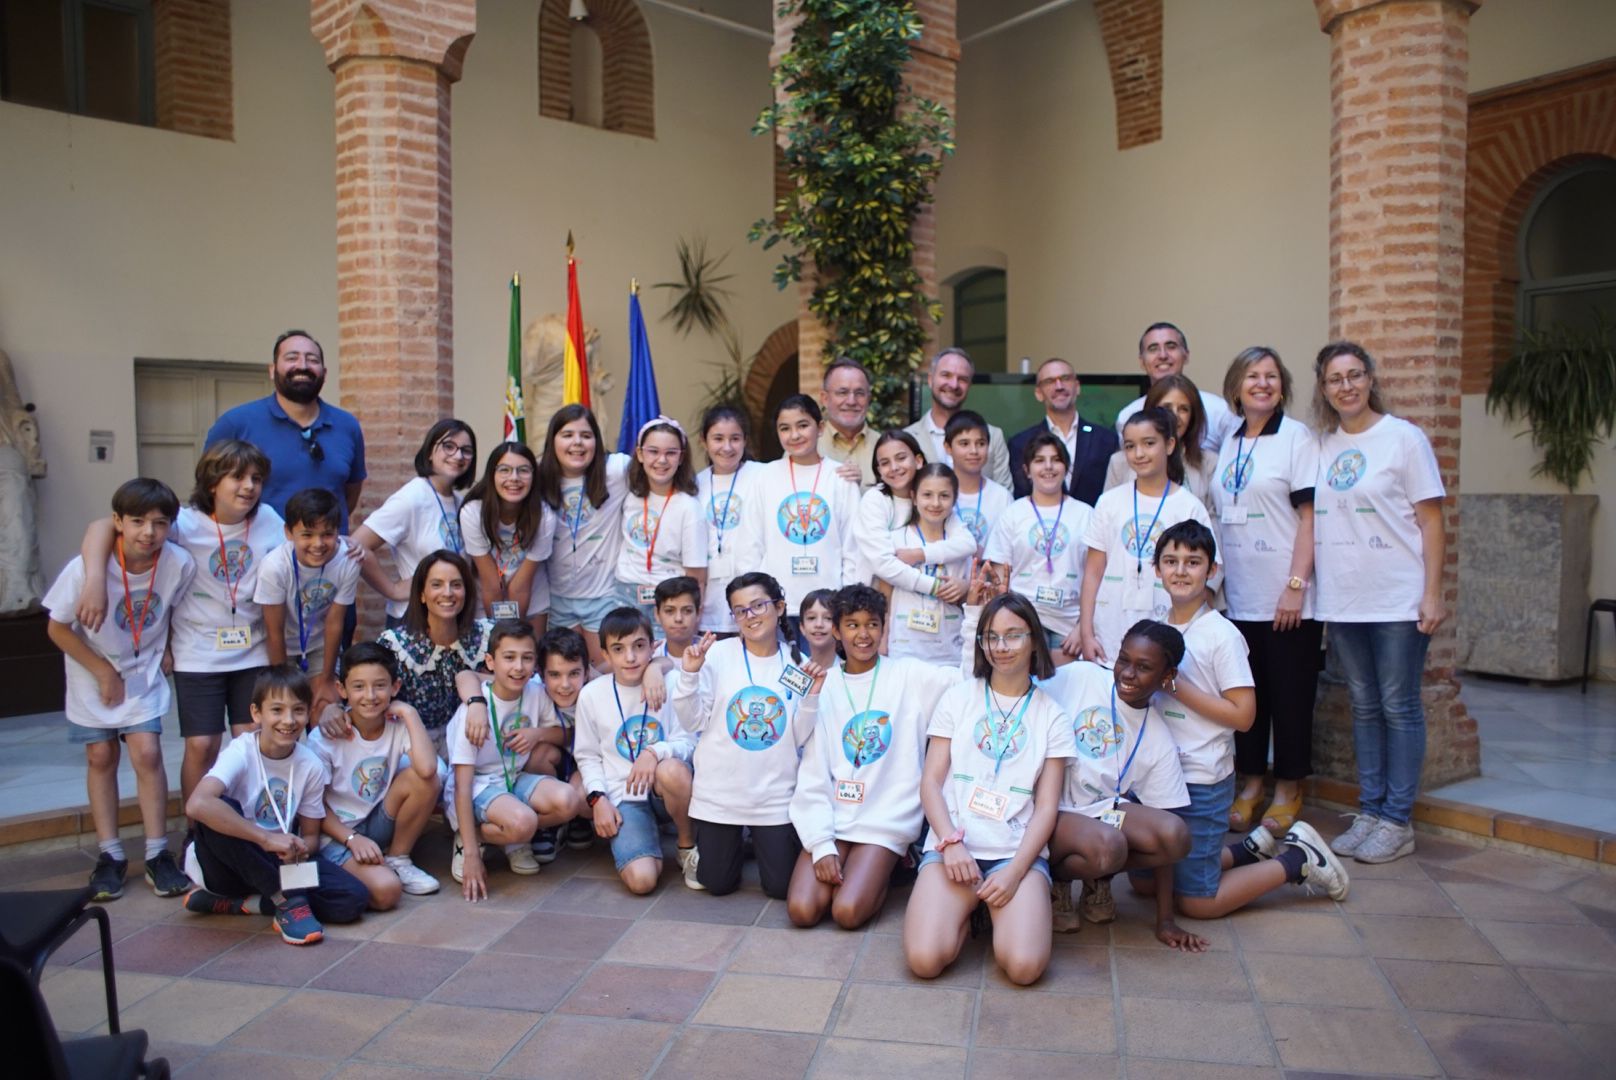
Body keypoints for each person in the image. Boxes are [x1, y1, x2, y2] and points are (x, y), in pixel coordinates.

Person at [1131, 522, 1350, 920]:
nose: (1181, 571)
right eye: (1171, 561)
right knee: (1144, 883)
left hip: (1201, 778)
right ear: (1156, 568)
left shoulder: (1222, 635)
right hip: (1157, 776)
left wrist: (1177, 687)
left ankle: (1297, 860)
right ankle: (1246, 850)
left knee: (1196, 903)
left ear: (1212, 570)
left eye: (1193, 562)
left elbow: (1245, 717)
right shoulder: (1156, 626)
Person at [76, 440, 287, 807]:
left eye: (256, 478)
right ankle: (198, 828)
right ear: (211, 483)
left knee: (252, 739)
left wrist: (350, 549)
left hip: (253, 651)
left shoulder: (268, 519)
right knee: (203, 744)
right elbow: (101, 527)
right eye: (237, 477)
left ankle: (252, 821)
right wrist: (95, 578)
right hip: (197, 652)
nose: (249, 486)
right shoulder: (183, 524)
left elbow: (301, 547)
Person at [1313, 341, 1448, 865]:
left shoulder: (1403, 439)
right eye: (1334, 379)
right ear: (1324, 390)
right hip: (1345, 600)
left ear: (1370, 379)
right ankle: (1370, 812)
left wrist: (1432, 593)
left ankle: (1397, 820)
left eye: (1354, 375)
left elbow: (1432, 519)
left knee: (1399, 706)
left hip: (1397, 598)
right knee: (1364, 707)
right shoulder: (1323, 445)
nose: (1345, 386)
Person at [902, 592, 1075, 986]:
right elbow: (930, 782)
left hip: (1013, 854)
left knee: (1024, 968)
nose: (1001, 646)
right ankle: (968, 915)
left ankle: (998, 910)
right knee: (925, 961)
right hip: (954, 851)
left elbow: (1047, 808)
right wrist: (949, 842)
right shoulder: (959, 698)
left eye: (1013, 635)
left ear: (1034, 639)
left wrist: (1015, 872)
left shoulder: (1052, 716)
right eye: (991, 637)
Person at [44, 478, 197, 901]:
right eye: (137, 522)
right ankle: (110, 854)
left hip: (142, 668)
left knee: (147, 752)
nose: (149, 533)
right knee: (101, 755)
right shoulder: (85, 570)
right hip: (92, 670)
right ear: (117, 523)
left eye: (160, 523)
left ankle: (155, 852)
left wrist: (166, 648)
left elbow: (174, 609)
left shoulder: (178, 563)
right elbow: (57, 627)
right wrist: (101, 671)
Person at [788, 585, 955, 929]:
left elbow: (966, 678)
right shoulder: (825, 683)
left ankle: (893, 864)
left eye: (872, 624)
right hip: (835, 817)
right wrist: (821, 845)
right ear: (836, 630)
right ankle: (856, 865)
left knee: (847, 913)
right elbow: (812, 770)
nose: (863, 635)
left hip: (883, 822)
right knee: (802, 911)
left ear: (884, 627)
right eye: (852, 625)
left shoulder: (909, 675)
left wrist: (975, 616)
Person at [181, 666, 370, 945]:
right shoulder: (241, 750)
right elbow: (196, 804)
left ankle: (250, 904)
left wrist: (301, 847)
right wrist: (266, 839)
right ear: (257, 713)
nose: (288, 720)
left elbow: (311, 836)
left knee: (352, 898)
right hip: (228, 865)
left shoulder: (310, 765)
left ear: (307, 714)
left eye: (298, 710)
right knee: (217, 809)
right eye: (277, 710)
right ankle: (289, 902)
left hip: (278, 864)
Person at [1213, 348, 1321, 835]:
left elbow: (1309, 516)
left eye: (1271, 376)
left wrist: (1295, 586)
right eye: (1252, 376)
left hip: (1286, 596)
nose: (1262, 384)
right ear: (1236, 387)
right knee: (1248, 696)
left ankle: (1288, 788)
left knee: (1291, 697)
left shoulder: (1296, 438)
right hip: (1240, 597)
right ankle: (1251, 783)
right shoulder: (1231, 440)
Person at [672, 572, 829, 897]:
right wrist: (689, 674)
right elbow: (692, 722)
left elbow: (797, 737)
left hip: (773, 798)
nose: (750, 616)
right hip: (721, 795)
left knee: (781, 888)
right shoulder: (715, 655)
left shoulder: (796, 663)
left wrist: (812, 696)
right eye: (740, 610)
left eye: (758, 605)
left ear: (780, 607)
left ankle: (754, 842)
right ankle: (721, 848)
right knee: (716, 884)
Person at [447, 620, 588, 900]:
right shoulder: (473, 711)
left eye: (526, 658)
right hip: (479, 787)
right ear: (490, 661)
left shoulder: (535, 691)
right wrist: (473, 856)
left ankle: (514, 834)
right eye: (509, 657)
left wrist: (538, 734)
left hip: (514, 777)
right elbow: (463, 786)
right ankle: (471, 837)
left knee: (569, 800)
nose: (518, 667)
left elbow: (567, 734)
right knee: (524, 823)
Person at [574, 607, 700, 893]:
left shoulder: (671, 682)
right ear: (605, 655)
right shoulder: (592, 694)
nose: (630, 657)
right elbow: (587, 755)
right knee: (642, 881)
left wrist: (653, 752)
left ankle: (685, 844)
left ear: (653, 647)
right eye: (618, 649)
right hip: (624, 794)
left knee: (671, 770)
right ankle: (644, 835)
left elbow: (690, 742)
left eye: (639, 647)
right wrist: (598, 799)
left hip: (663, 785)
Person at [308, 642, 443, 900]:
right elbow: (313, 805)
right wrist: (351, 839)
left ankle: (398, 859)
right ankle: (345, 869)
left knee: (425, 780)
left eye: (380, 686)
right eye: (358, 687)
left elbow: (427, 770)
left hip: (377, 820)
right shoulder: (324, 738)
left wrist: (408, 711)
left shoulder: (397, 724)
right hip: (336, 832)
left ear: (395, 687)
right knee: (386, 892)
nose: (370, 695)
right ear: (342, 689)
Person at [1079, 408, 1214, 664]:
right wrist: (1086, 632)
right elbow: (1093, 572)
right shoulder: (1109, 502)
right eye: (1130, 446)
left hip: (1167, 628)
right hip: (1110, 627)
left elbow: (1201, 580)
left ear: (1170, 444)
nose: (1139, 454)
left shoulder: (1189, 506)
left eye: (1149, 443)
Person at [205, 329, 366, 533]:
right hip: (257, 555)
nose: (302, 366)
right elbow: (209, 491)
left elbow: (349, 494)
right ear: (272, 370)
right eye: (292, 358)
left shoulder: (347, 425)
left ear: (324, 373)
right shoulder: (235, 423)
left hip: (327, 555)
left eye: (312, 359)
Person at [744, 396, 861, 641]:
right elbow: (751, 544)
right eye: (785, 428)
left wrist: (846, 599)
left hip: (829, 607)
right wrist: (755, 600)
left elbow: (854, 546)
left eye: (802, 425)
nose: (794, 435)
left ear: (820, 428)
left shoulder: (840, 477)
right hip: (776, 607)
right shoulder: (764, 477)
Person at [351, 420, 478, 627]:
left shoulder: (459, 501)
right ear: (429, 452)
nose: (458, 455)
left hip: (450, 617)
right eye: (448, 446)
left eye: (466, 450)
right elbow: (357, 544)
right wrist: (392, 589)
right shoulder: (412, 497)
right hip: (414, 619)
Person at [535, 404, 631, 669]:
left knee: (606, 676)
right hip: (556, 600)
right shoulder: (537, 477)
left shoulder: (616, 470)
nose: (577, 442)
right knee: (563, 679)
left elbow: (659, 465)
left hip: (603, 597)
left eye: (586, 436)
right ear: (552, 440)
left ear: (597, 442)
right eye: (567, 435)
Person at [986, 433, 1095, 663]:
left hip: (1070, 626)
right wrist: (1006, 624)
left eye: (1055, 459)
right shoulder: (1013, 514)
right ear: (1027, 470)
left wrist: (1083, 628)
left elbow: (1097, 576)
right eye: (1039, 460)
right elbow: (997, 577)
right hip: (1022, 620)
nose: (1048, 467)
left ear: (1066, 467)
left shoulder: (1086, 514)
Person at [253, 487, 361, 719]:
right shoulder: (275, 568)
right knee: (285, 708)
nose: (318, 543)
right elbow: (274, 630)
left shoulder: (349, 561)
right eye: (307, 534)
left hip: (319, 644)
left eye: (327, 534)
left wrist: (327, 678)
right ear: (289, 533)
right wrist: (282, 682)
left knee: (323, 709)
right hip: (278, 646)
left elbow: (334, 623)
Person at [376, 550, 493, 744]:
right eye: (437, 585)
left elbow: (524, 683)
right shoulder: (395, 645)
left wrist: (477, 700)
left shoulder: (488, 636)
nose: (447, 593)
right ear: (422, 594)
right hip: (415, 746)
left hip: (477, 741)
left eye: (456, 585)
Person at [876, 464, 972, 665]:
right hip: (904, 649)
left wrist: (965, 589)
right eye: (927, 495)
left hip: (950, 651)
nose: (935, 503)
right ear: (913, 497)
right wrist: (882, 640)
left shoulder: (960, 546)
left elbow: (973, 599)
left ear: (955, 499)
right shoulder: (897, 540)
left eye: (944, 496)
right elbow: (884, 595)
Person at [617, 417, 707, 631]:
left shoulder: (688, 507)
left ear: (681, 457)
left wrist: (692, 619)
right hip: (624, 594)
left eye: (671, 453)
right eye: (653, 451)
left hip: (670, 599)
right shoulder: (628, 495)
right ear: (639, 454)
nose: (662, 460)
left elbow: (696, 575)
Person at [460, 441, 554, 631]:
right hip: (486, 599)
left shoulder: (544, 516)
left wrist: (516, 634)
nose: (514, 478)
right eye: (504, 470)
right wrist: (500, 633)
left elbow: (521, 585)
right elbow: (490, 583)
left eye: (523, 470)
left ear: (534, 477)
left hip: (531, 598)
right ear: (492, 474)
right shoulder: (473, 512)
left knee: (528, 655)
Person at [1008, 358, 1119, 507]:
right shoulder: (1020, 443)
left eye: (1065, 379)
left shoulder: (1106, 439)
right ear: (1039, 393)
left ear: (1077, 387)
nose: (1059, 386)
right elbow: (1022, 496)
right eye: (1050, 381)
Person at [1115, 323, 1237, 453]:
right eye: (1153, 348)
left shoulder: (1219, 411)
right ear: (1141, 361)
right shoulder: (1128, 416)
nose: (1162, 355)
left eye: (1171, 346)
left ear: (1186, 355)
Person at [695, 405, 764, 636]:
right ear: (704, 441)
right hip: (710, 605)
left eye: (735, 438)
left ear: (745, 440)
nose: (727, 447)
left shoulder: (764, 475)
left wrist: (847, 471)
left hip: (755, 602)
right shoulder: (694, 485)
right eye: (718, 438)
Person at [904, 347, 1014, 488]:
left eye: (962, 379)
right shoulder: (908, 438)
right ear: (931, 380)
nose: (954, 384)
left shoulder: (993, 436)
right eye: (946, 375)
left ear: (969, 386)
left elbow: (1005, 495)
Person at [1105, 374, 1219, 507]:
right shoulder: (1119, 462)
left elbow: (1212, 520)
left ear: (1193, 416)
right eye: (1167, 407)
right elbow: (1108, 513)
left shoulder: (1209, 463)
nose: (1175, 416)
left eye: (1183, 409)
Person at [943, 410, 1013, 558]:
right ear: (948, 448)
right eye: (964, 444)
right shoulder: (937, 493)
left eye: (981, 443)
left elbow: (1008, 551)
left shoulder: (1002, 497)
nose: (974, 451)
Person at [817, 357, 881, 489]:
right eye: (842, 392)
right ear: (824, 398)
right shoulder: (808, 446)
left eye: (859, 393)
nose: (851, 401)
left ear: (868, 399)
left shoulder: (883, 446)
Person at [652, 575, 702, 662]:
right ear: (657, 614)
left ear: (698, 613)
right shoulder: (650, 656)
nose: (678, 618)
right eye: (669, 611)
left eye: (687, 611)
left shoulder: (715, 653)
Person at [799, 589, 842, 673]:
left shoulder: (849, 672)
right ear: (802, 627)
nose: (819, 624)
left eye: (828, 618)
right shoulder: (798, 670)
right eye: (811, 618)